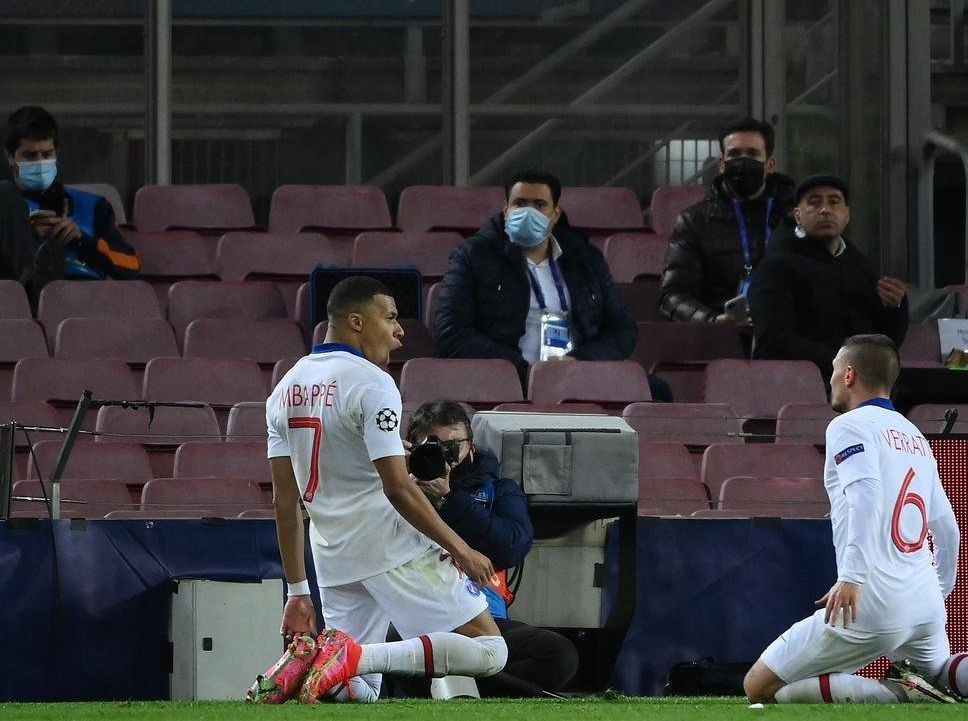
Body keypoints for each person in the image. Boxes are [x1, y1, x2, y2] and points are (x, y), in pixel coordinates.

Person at [742, 334, 968, 705]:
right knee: (938, 669)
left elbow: (866, 497)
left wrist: (852, 576)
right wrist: (936, 593)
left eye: (831, 371)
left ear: (848, 375)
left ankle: (896, 692)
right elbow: (948, 530)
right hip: (923, 601)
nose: (828, 380)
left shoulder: (848, 426)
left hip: (871, 599)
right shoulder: (916, 437)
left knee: (758, 686)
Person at [252, 276, 509, 704]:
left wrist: (298, 592)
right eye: (390, 317)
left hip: (333, 554)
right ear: (356, 321)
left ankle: (315, 661)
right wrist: (461, 548)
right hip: (390, 546)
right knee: (490, 651)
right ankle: (354, 657)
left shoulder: (282, 390)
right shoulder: (371, 383)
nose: (400, 330)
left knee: (356, 694)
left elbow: (284, 501)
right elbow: (398, 488)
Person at [395, 400, 578, 697]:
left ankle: (455, 687)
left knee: (558, 654)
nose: (444, 455)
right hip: (415, 617)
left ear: (471, 445)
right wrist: (399, 479)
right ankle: (484, 688)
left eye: (452, 445)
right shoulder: (395, 488)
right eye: (432, 445)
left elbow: (512, 547)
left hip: (483, 620)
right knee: (391, 644)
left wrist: (450, 499)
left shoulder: (498, 489)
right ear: (411, 446)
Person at [435, 169, 662, 397]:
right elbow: (450, 333)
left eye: (539, 205)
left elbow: (623, 329)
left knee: (656, 389)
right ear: (506, 209)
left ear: (555, 213)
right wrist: (522, 368)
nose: (528, 212)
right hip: (504, 379)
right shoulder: (473, 255)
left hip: (575, 376)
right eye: (520, 203)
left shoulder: (585, 258)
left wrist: (578, 361)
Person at [748, 174, 908, 377]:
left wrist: (895, 308)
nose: (825, 210)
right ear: (797, 215)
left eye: (834, 202)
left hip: (858, 384)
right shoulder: (775, 267)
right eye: (814, 203)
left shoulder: (861, 267)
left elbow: (885, 340)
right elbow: (775, 341)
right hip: (797, 385)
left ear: (847, 214)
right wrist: (843, 363)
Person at [659, 117, 796, 327]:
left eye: (752, 154)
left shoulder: (796, 219)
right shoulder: (693, 222)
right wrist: (714, 322)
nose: (742, 161)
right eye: (734, 154)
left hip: (786, 334)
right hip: (719, 341)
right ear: (722, 164)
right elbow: (673, 296)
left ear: (770, 164)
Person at [5, 105, 139, 280]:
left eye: (47, 154)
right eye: (30, 156)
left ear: (56, 154)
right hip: (25, 300)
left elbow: (131, 265)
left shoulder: (94, 206)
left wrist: (81, 239)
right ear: (10, 157)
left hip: (88, 297)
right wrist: (25, 236)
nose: (40, 162)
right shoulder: (5, 208)